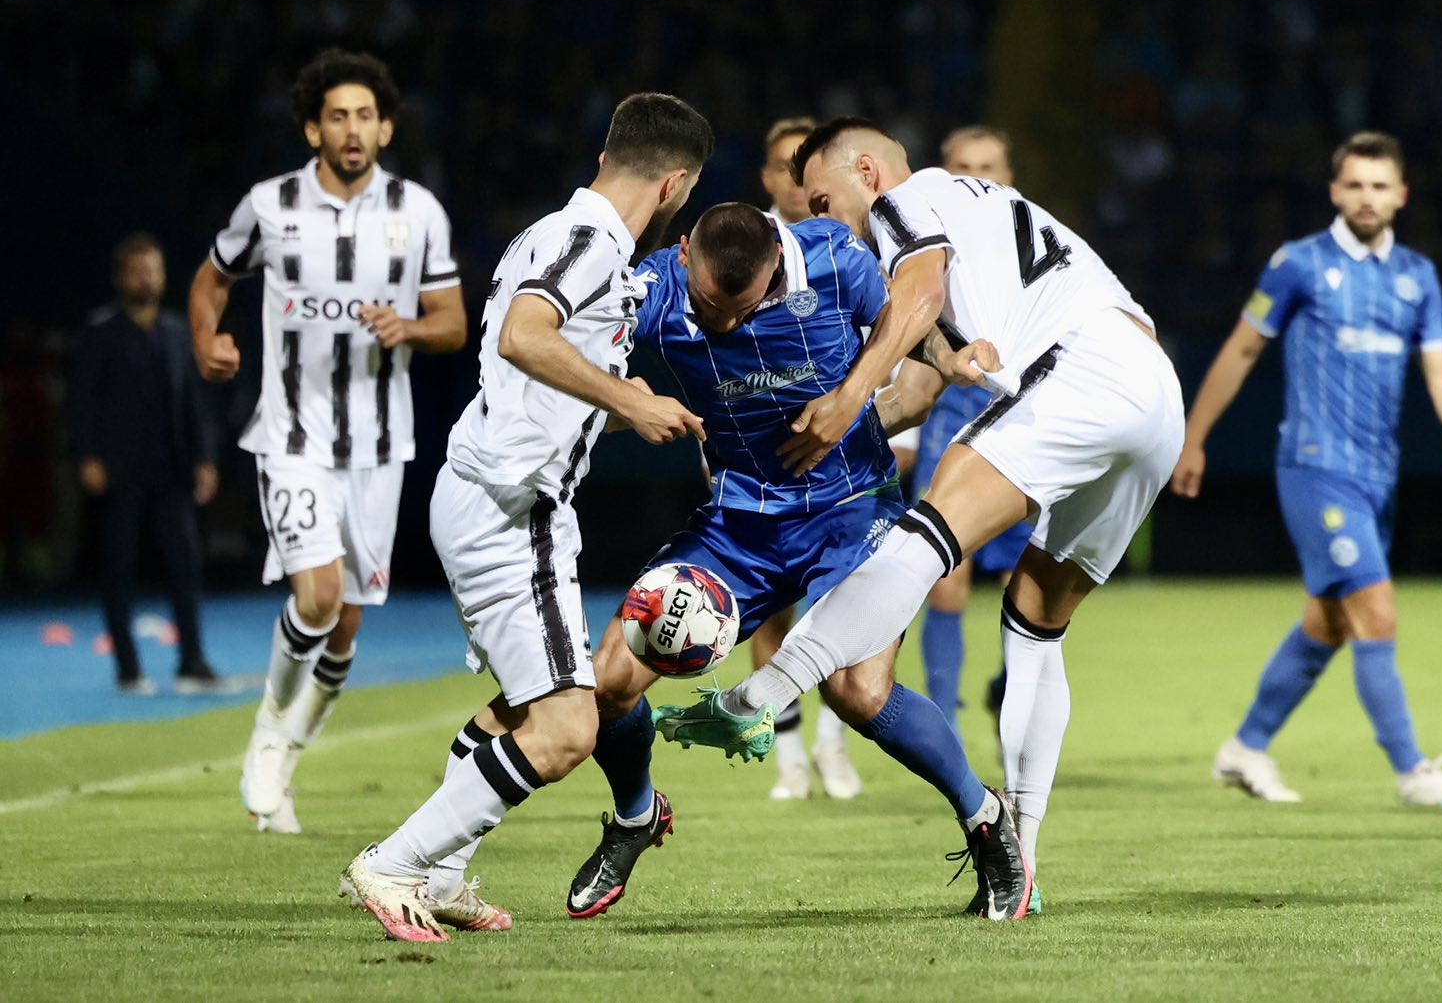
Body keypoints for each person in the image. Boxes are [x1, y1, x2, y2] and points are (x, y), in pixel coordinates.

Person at [655, 117, 1183, 920]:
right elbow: (929, 372)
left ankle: (758, 695)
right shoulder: (984, 210)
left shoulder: (909, 201)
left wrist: (843, 398)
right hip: (1153, 397)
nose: (830, 223)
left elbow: (921, 294)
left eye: (829, 201)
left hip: (1083, 374)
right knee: (1036, 623)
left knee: (920, 542)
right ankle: (1021, 866)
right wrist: (862, 411)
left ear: (867, 169)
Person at [564, 202, 1011, 920]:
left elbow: (906, 319)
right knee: (612, 679)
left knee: (856, 691)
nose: (728, 326)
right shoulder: (652, 288)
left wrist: (947, 356)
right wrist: (622, 402)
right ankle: (636, 814)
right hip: (737, 529)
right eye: (713, 308)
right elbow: (569, 358)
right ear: (685, 255)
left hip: (853, 510)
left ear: (776, 258)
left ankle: (986, 820)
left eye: (743, 309)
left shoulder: (831, 256)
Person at [338, 92, 712, 943]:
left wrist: (630, 407)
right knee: (566, 729)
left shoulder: (554, 233)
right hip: (513, 509)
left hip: (498, 496)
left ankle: (438, 875)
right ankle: (395, 864)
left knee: (519, 708)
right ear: (675, 185)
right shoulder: (589, 244)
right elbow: (522, 338)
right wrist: (626, 395)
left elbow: (536, 369)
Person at [189, 48, 467, 834]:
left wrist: (408, 326)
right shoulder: (270, 206)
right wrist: (206, 341)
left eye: (366, 116)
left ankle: (290, 756)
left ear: (385, 128)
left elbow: (453, 324)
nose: (353, 128)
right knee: (314, 598)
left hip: (380, 447)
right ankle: (268, 735)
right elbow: (211, 278)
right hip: (294, 435)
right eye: (338, 115)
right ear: (314, 128)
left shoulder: (419, 214)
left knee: (343, 629)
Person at [1171, 131, 1442, 807]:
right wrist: (1194, 437)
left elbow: (1439, 366)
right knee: (1375, 607)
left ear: (1401, 195)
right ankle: (1412, 771)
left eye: (1380, 186)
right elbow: (1242, 350)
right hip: (1315, 467)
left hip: (1378, 475)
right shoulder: (1300, 265)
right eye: (1355, 185)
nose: (1367, 197)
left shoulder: (1417, 277)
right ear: (1335, 191)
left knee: (1330, 622)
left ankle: (1245, 748)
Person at [751, 115, 863, 802]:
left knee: (846, 599)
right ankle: (789, 751)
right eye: (784, 167)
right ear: (767, 179)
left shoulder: (849, 240)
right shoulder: (737, 241)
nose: (796, 180)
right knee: (771, 608)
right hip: (760, 454)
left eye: (807, 166)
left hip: (844, 452)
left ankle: (834, 744)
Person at [909, 126, 1032, 733]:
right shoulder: (930, 245)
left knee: (1028, 582)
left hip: (1028, 415)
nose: (979, 177)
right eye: (964, 167)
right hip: (956, 413)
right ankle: (945, 726)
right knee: (945, 574)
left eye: (991, 167)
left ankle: (1013, 693)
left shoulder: (1040, 244)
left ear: (1011, 177)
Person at [70, 233, 228, 695]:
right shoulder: (100, 331)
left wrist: (204, 458)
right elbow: (82, 402)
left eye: (154, 270)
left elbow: (192, 403)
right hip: (119, 472)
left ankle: (192, 662)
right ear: (121, 278)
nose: (148, 279)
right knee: (118, 569)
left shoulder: (178, 332)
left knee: (186, 566)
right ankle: (127, 668)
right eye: (138, 271)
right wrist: (87, 456)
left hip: (172, 470)